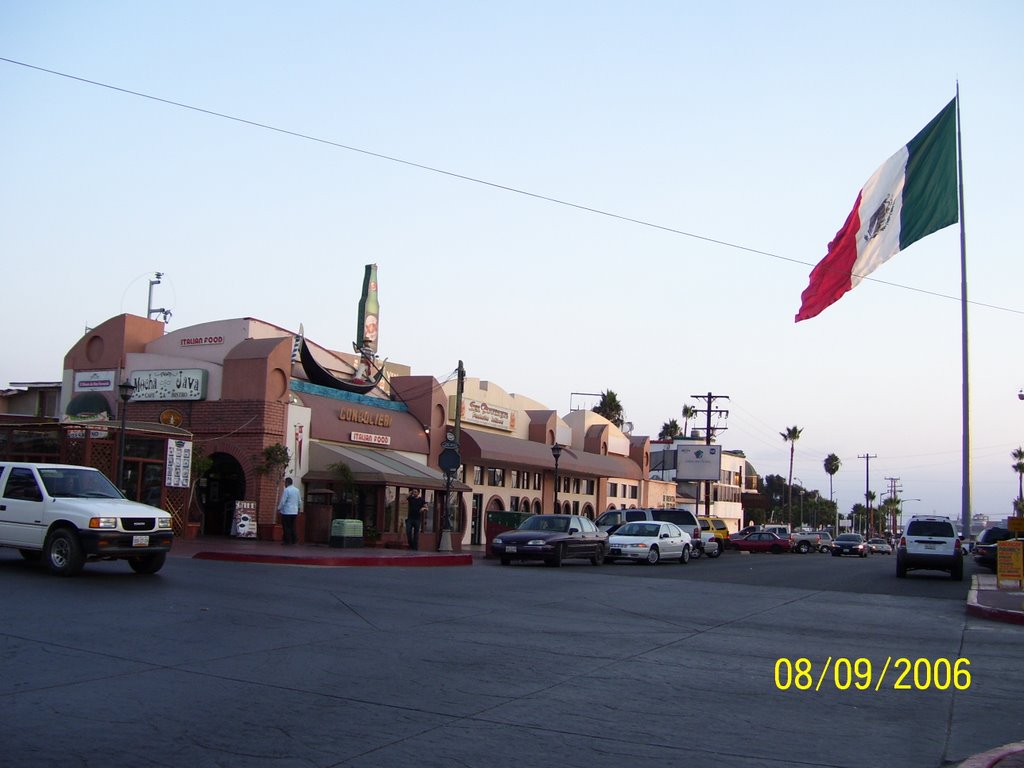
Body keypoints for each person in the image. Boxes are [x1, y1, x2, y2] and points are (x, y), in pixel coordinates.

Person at [278, 477, 301, 545]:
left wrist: (279, 508)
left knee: (286, 526)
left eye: (285, 482)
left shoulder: (287, 490)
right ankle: (294, 539)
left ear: (287, 482)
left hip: (287, 511)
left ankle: (287, 540)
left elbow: (283, 501)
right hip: (294, 511)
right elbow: (299, 501)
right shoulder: (297, 490)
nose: (284, 484)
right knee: (292, 526)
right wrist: (299, 509)